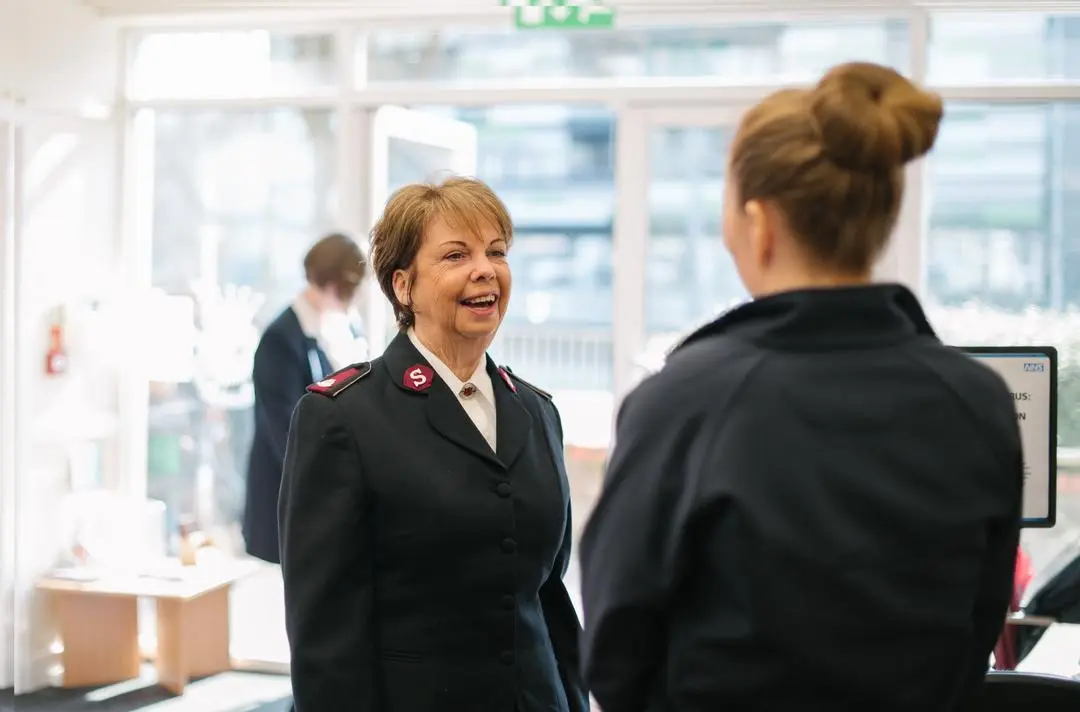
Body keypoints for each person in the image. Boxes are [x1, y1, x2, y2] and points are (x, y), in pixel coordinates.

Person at [579, 61, 1023, 712]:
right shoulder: (978, 402)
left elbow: (616, 647)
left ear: (758, 225)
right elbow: (982, 620)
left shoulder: (686, 403)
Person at [278, 177, 588, 712]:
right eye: (455, 255)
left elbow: (549, 600)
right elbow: (326, 638)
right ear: (404, 287)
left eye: (496, 252)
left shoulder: (537, 413)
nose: (484, 269)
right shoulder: (342, 417)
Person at [242, 232, 365, 565]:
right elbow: (282, 429)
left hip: (327, 491)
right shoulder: (281, 338)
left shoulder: (344, 331)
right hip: (291, 489)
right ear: (332, 284)